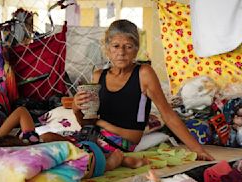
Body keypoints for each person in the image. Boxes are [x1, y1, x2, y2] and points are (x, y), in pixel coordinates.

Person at [72, 19, 214, 162]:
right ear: (107, 48)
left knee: (78, 160)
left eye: (128, 46)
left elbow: (168, 114)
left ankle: (112, 161)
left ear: (136, 49)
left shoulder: (143, 73)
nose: (121, 52)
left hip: (122, 142)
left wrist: (198, 150)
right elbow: (87, 124)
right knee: (50, 139)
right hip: (93, 136)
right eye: (116, 46)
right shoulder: (98, 76)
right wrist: (76, 109)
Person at [0, 106, 149, 176]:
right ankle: (117, 160)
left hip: (88, 153)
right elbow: (22, 111)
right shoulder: (29, 140)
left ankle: (113, 163)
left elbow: (22, 111)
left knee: (101, 163)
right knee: (51, 140)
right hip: (82, 146)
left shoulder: (33, 149)